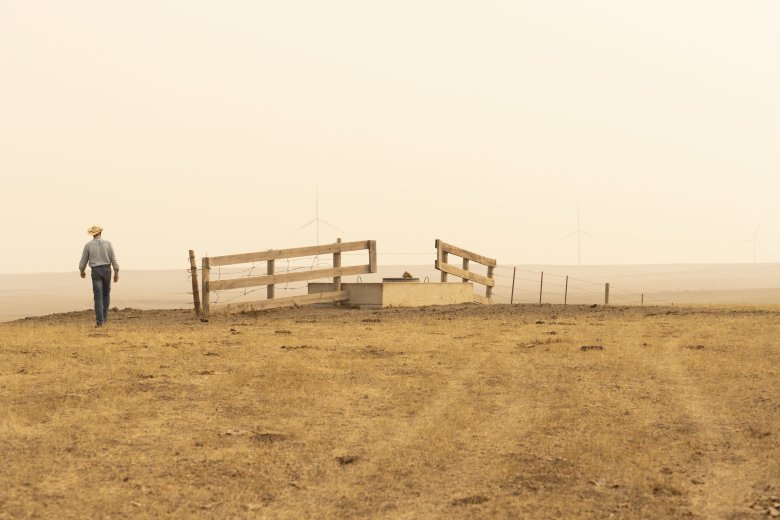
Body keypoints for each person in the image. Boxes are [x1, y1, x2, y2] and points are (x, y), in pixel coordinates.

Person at [79, 225, 119, 327]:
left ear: (92, 234)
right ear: (101, 232)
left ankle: (100, 322)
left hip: (96, 271)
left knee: (98, 297)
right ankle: (104, 320)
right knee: (106, 295)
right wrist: (116, 273)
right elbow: (114, 260)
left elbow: (82, 263)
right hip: (107, 270)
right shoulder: (108, 244)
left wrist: (82, 271)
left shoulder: (88, 246)